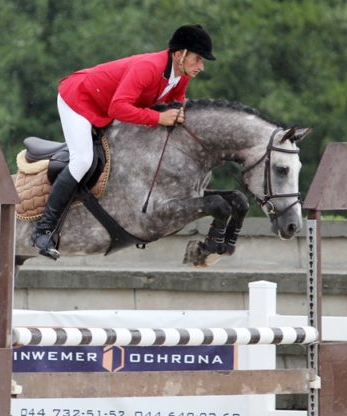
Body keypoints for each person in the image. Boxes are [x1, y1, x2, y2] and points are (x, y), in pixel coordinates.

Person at [31, 24, 216, 259]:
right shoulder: (148, 68)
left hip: (103, 106)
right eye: (198, 59)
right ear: (180, 55)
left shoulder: (181, 75)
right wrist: (159, 117)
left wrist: (180, 111)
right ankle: (44, 230)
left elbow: (176, 101)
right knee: (83, 160)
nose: (201, 66)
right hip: (79, 99)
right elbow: (118, 107)